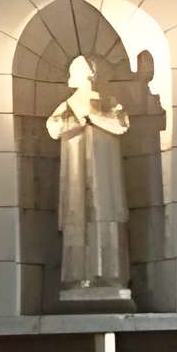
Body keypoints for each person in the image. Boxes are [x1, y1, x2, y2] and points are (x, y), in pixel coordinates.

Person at [47, 54, 135, 302]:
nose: (69, 76)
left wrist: (92, 115)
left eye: (74, 70)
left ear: (88, 74)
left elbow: (121, 124)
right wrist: (79, 119)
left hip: (105, 176)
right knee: (77, 220)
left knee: (106, 219)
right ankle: (78, 276)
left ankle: (110, 275)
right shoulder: (68, 105)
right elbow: (53, 127)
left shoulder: (108, 102)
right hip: (75, 174)